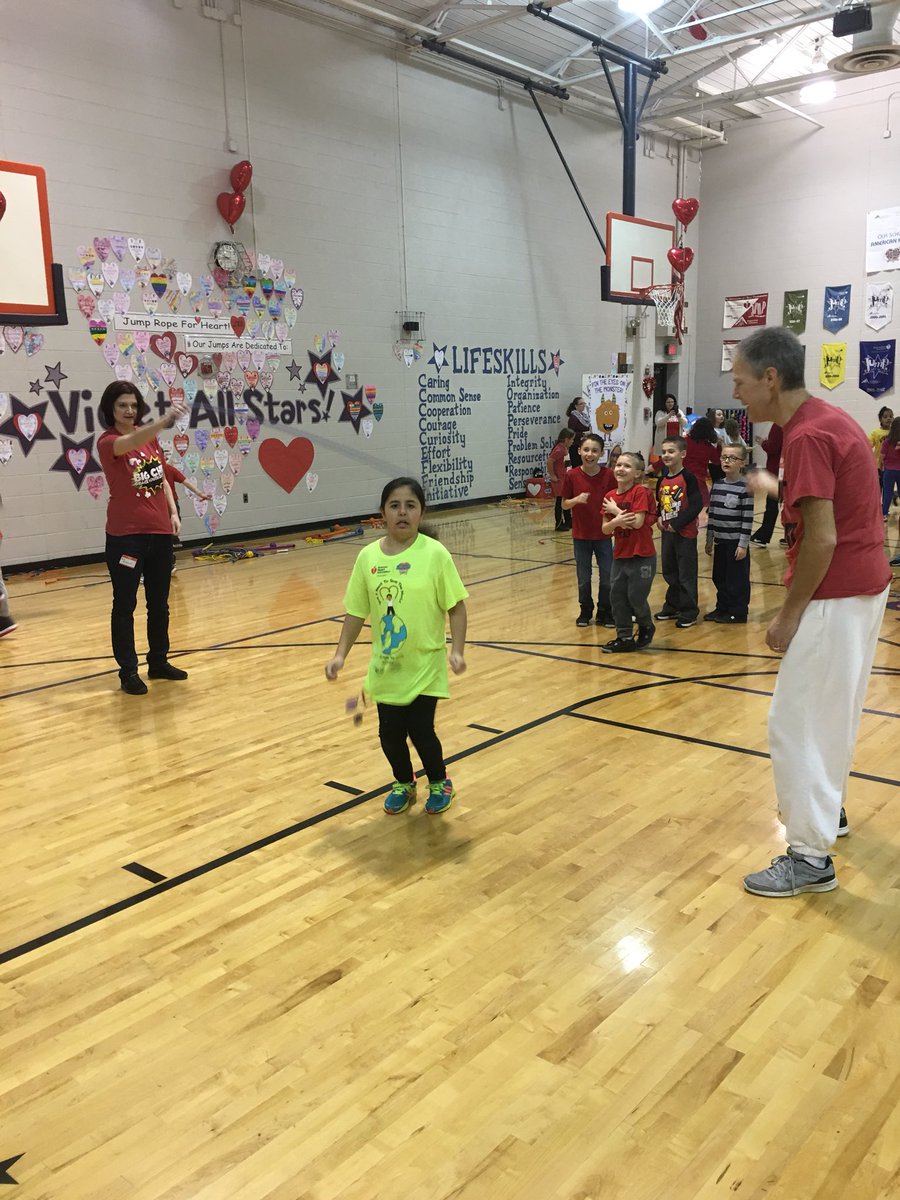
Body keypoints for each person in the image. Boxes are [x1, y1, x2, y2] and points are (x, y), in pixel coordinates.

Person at [732, 327, 890, 898]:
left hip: (833, 592)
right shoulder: (825, 419)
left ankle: (808, 859)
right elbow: (830, 502)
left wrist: (787, 616)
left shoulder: (806, 436)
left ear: (771, 379)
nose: (739, 395)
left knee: (795, 723)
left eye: (742, 383)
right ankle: (829, 813)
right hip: (861, 587)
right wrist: (774, 487)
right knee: (831, 713)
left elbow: (821, 539)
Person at [324, 477, 468, 816]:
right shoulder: (367, 557)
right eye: (394, 505)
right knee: (389, 734)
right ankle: (404, 781)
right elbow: (356, 612)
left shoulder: (435, 555)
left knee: (420, 730)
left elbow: (457, 606)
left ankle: (438, 781)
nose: (402, 512)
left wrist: (457, 649)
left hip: (426, 664)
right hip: (387, 666)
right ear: (382, 513)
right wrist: (340, 655)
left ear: (421, 512)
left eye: (410, 505)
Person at [97, 381, 189, 695]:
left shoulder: (149, 443)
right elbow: (131, 439)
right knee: (125, 605)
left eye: (134, 405)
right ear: (111, 408)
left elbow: (160, 477)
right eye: (123, 405)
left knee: (159, 604)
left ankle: (159, 661)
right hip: (126, 537)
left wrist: (173, 512)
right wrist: (164, 422)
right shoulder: (109, 441)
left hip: (159, 533)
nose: (129, 410)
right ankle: (128, 671)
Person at [601, 452, 657, 652]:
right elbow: (605, 529)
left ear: (637, 473)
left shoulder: (640, 492)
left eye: (626, 466)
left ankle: (646, 625)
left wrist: (616, 512)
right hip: (620, 555)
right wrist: (616, 521)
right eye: (618, 464)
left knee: (636, 597)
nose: (620, 469)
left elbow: (638, 522)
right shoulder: (609, 497)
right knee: (616, 597)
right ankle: (624, 637)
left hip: (642, 555)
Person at [561, 433, 615, 628]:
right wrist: (576, 500)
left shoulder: (608, 475)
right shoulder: (572, 475)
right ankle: (585, 610)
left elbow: (617, 499)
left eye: (594, 450)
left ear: (601, 453)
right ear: (579, 451)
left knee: (607, 575)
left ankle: (605, 610)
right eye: (586, 450)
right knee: (583, 577)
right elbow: (564, 505)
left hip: (603, 534)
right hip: (581, 535)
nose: (589, 454)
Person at [654, 436, 702, 628]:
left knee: (686, 573)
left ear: (682, 454)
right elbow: (660, 504)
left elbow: (696, 504)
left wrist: (679, 523)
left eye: (671, 451)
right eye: (664, 451)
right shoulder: (662, 479)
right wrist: (659, 517)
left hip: (685, 533)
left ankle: (689, 610)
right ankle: (672, 605)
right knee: (669, 570)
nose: (666, 455)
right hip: (667, 533)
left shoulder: (689, 478)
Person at [704, 443, 754, 623]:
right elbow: (713, 514)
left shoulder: (745, 487)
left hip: (735, 544)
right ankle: (722, 607)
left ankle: (738, 611)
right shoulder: (717, 485)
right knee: (719, 577)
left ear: (742, 462)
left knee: (737, 580)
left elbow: (747, 519)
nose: (727, 461)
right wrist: (709, 538)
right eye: (724, 457)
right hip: (720, 541)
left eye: (733, 458)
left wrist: (743, 544)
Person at [163, 460, 207, 572]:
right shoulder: (160, 469)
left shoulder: (168, 469)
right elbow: (186, 482)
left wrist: (200, 493)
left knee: (168, 535)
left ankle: (169, 563)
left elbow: (186, 481)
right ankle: (167, 562)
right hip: (160, 506)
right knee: (165, 536)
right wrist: (199, 493)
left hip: (169, 505)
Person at [750, 422, 783, 545]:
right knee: (787, 505)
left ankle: (763, 536)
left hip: (778, 471)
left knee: (772, 505)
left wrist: (762, 442)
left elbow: (772, 447)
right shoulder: (791, 423)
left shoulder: (778, 425)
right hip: (787, 470)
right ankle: (792, 536)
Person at [683, 416, 722, 507]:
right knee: (701, 508)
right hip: (699, 481)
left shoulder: (684, 442)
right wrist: (719, 447)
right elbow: (716, 461)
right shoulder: (709, 447)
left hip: (683, 478)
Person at [546, 429, 575, 531]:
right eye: (572, 439)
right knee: (559, 502)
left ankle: (568, 520)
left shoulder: (564, 449)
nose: (573, 442)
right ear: (566, 439)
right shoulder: (559, 450)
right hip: (559, 480)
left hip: (564, 478)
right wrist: (553, 475)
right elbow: (549, 462)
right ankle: (558, 523)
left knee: (565, 500)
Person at [878, 416, 900, 520]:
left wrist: (880, 467)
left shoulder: (887, 441)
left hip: (889, 471)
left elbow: (882, 456)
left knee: (887, 493)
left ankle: (884, 514)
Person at [869, 405, 893, 498]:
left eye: (891, 416)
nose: (888, 419)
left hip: (891, 466)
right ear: (880, 419)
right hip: (878, 466)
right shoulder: (875, 433)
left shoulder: (895, 432)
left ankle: (885, 508)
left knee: (888, 488)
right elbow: (868, 445)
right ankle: (877, 507)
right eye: (885, 416)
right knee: (879, 487)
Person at [565, 397, 591, 467]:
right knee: (577, 466)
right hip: (575, 446)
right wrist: (582, 434)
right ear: (576, 406)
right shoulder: (573, 417)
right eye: (581, 404)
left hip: (583, 444)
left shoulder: (585, 417)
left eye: (584, 403)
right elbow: (570, 433)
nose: (583, 405)